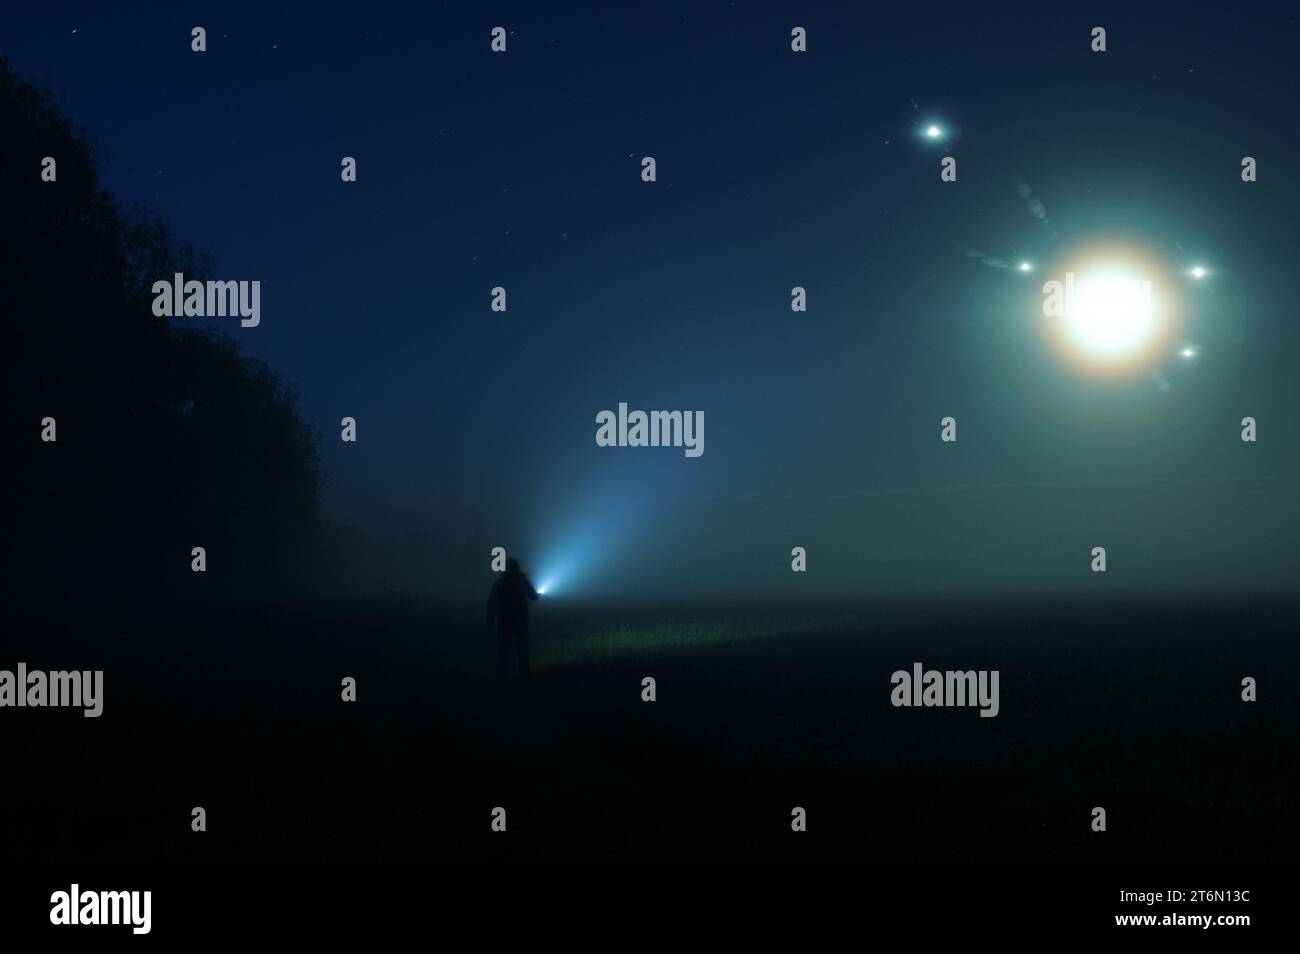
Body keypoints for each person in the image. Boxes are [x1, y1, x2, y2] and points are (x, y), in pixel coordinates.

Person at [486, 558, 539, 685]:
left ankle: (501, 680)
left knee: (503, 651)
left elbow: (491, 602)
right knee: (522, 651)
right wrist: (536, 596)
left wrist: (490, 619)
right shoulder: (522, 581)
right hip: (520, 622)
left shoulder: (500, 583)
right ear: (517, 568)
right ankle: (525, 679)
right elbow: (533, 596)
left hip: (504, 622)